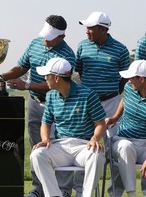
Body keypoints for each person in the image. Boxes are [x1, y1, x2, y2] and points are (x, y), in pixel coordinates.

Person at [1, 15, 76, 197]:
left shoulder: (67, 55)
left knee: (60, 147)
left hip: (58, 104)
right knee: (37, 146)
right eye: (44, 34)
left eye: (49, 37)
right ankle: (39, 189)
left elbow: (57, 84)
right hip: (35, 103)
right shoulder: (35, 43)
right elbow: (21, 67)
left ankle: (63, 191)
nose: (45, 39)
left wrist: (26, 85)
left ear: (61, 37)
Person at [31, 57, 106, 197]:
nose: (45, 78)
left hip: (83, 146)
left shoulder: (88, 94)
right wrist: (45, 139)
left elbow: (100, 123)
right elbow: (45, 123)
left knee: (97, 156)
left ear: (57, 78)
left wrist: (95, 138)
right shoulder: (51, 96)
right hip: (60, 146)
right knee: (37, 155)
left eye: (47, 75)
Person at [76, 11, 130, 196]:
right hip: (88, 104)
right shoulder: (82, 46)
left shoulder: (120, 49)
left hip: (111, 103)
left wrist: (110, 92)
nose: (87, 31)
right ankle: (85, 191)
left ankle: (115, 192)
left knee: (114, 150)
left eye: (90, 28)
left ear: (102, 29)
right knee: (84, 146)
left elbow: (123, 78)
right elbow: (81, 72)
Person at [106, 60, 146, 197]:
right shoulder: (130, 88)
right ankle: (132, 194)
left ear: (142, 79)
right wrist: (115, 117)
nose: (128, 81)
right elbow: (125, 100)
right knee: (125, 146)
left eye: (131, 77)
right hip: (123, 139)